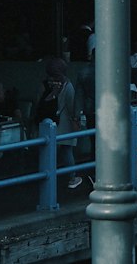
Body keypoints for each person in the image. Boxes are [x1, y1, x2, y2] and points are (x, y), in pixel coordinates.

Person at [37, 58, 81, 188]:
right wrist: (76, 121)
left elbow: (40, 102)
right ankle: (72, 178)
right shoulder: (67, 86)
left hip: (49, 123)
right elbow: (72, 106)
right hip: (65, 123)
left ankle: (47, 177)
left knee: (50, 151)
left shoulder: (46, 84)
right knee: (67, 150)